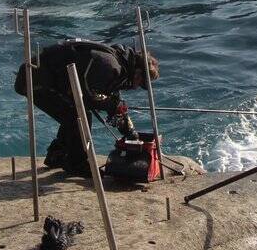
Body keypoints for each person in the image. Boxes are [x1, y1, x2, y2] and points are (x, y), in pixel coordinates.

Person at [14, 38, 159, 176]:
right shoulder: (109, 66)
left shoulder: (120, 64)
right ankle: (76, 163)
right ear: (137, 73)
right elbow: (86, 96)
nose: (136, 86)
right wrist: (111, 106)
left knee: (72, 112)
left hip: (49, 79)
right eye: (139, 83)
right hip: (34, 80)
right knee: (79, 115)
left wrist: (129, 130)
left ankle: (57, 155)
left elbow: (113, 98)